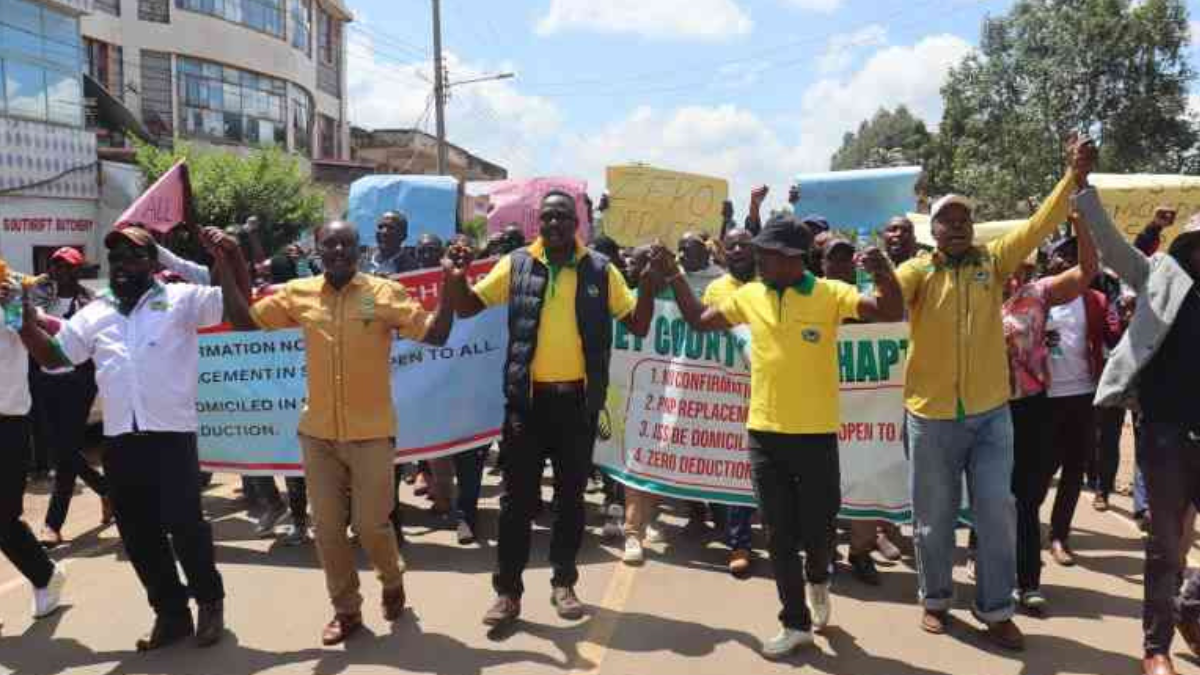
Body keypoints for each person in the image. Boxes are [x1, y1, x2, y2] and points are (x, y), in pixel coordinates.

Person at [667, 213, 902, 659]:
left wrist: (883, 274)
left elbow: (890, 311)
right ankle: (794, 623)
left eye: (767, 254)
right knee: (777, 534)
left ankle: (818, 579)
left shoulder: (830, 293)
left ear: (793, 259)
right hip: (764, 436)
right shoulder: (752, 294)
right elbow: (699, 319)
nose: (758, 261)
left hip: (815, 438)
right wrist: (675, 276)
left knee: (817, 534)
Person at [894, 135, 1094, 651]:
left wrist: (1073, 177)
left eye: (964, 220)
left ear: (972, 228)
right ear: (932, 230)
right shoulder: (917, 271)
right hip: (931, 416)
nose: (957, 227)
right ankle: (935, 598)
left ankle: (996, 607)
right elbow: (887, 301)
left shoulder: (992, 263)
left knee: (997, 512)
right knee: (933, 517)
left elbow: (1038, 227)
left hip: (990, 415)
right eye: (947, 221)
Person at [219, 220, 458, 645]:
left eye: (346, 245)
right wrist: (225, 265)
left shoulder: (383, 293)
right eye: (330, 244)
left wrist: (450, 285)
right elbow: (245, 323)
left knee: (371, 526)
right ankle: (346, 611)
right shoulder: (299, 293)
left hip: (371, 433)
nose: (338, 252)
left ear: (358, 250)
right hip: (319, 434)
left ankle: (391, 577)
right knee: (327, 530)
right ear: (318, 248)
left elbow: (436, 334)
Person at [18, 226, 237, 651]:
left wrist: (228, 258)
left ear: (152, 262)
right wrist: (23, 322)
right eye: (115, 259)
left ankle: (210, 602)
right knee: (138, 534)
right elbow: (54, 358)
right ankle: (171, 614)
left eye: (133, 257)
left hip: (172, 435)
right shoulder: (96, 313)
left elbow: (232, 304)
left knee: (185, 526)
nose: (122, 266)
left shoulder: (181, 299)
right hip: (121, 441)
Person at [446, 190, 657, 627]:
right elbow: (468, 307)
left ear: (577, 222)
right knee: (516, 503)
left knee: (569, 501)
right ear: (537, 223)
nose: (554, 225)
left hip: (577, 405)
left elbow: (637, 322)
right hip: (527, 405)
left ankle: (564, 583)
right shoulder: (517, 263)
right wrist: (456, 278)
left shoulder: (600, 269)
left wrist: (650, 286)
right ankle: (507, 593)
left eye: (562, 217)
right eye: (547, 218)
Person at [1074, 191, 1200, 675]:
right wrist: (1083, 191)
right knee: (1166, 546)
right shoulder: (1159, 275)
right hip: (1165, 433)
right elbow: (1110, 247)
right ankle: (1156, 648)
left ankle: (1189, 605)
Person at [1001, 215, 1099, 614]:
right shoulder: (972, 294)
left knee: (1025, 496)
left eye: (1025, 263)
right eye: (1011, 263)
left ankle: (1028, 582)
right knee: (990, 495)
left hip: (1030, 407)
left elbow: (1087, 271)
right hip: (982, 407)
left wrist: (1083, 225)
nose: (1018, 271)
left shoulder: (1039, 293)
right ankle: (988, 570)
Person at [1042, 235, 1119, 567]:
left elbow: (1114, 337)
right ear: (1050, 262)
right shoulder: (1035, 297)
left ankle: (1060, 535)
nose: (1068, 262)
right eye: (1062, 256)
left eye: (1075, 257)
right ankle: (1024, 525)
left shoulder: (1097, 300)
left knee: (1074, 471)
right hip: (1041, 398)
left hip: (1083, 396)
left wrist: (1125, 314)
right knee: (1038, 471)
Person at [0, 279, 68, 628]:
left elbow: (42, 344)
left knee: (4, 517)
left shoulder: (9, 293)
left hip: (6, 422)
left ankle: (45, 575)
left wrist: (17, 304)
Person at [31, 247, 110, 547]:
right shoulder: (41, 298)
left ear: (78, 270)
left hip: (79, 380)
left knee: (66, 450)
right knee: (58, 449)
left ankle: (52, 524)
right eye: (56, 266)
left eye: (67, 267)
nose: (61, 271)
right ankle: (104, 489)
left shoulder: (92, 301)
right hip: (45, 379)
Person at [699, 228, 760, 578]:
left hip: (766, 387)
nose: (738, 250)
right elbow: (704, 331)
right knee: (734, 462)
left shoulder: (771, 285)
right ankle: (739, 543)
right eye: (732, 245)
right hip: (725, 388)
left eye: (745, 245)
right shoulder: (716, 289)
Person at [362, 211, 419, 276]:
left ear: (403, 236)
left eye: (391, 228)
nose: (384, 232)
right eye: (380, 227)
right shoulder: (360, 262)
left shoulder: (412, 269)